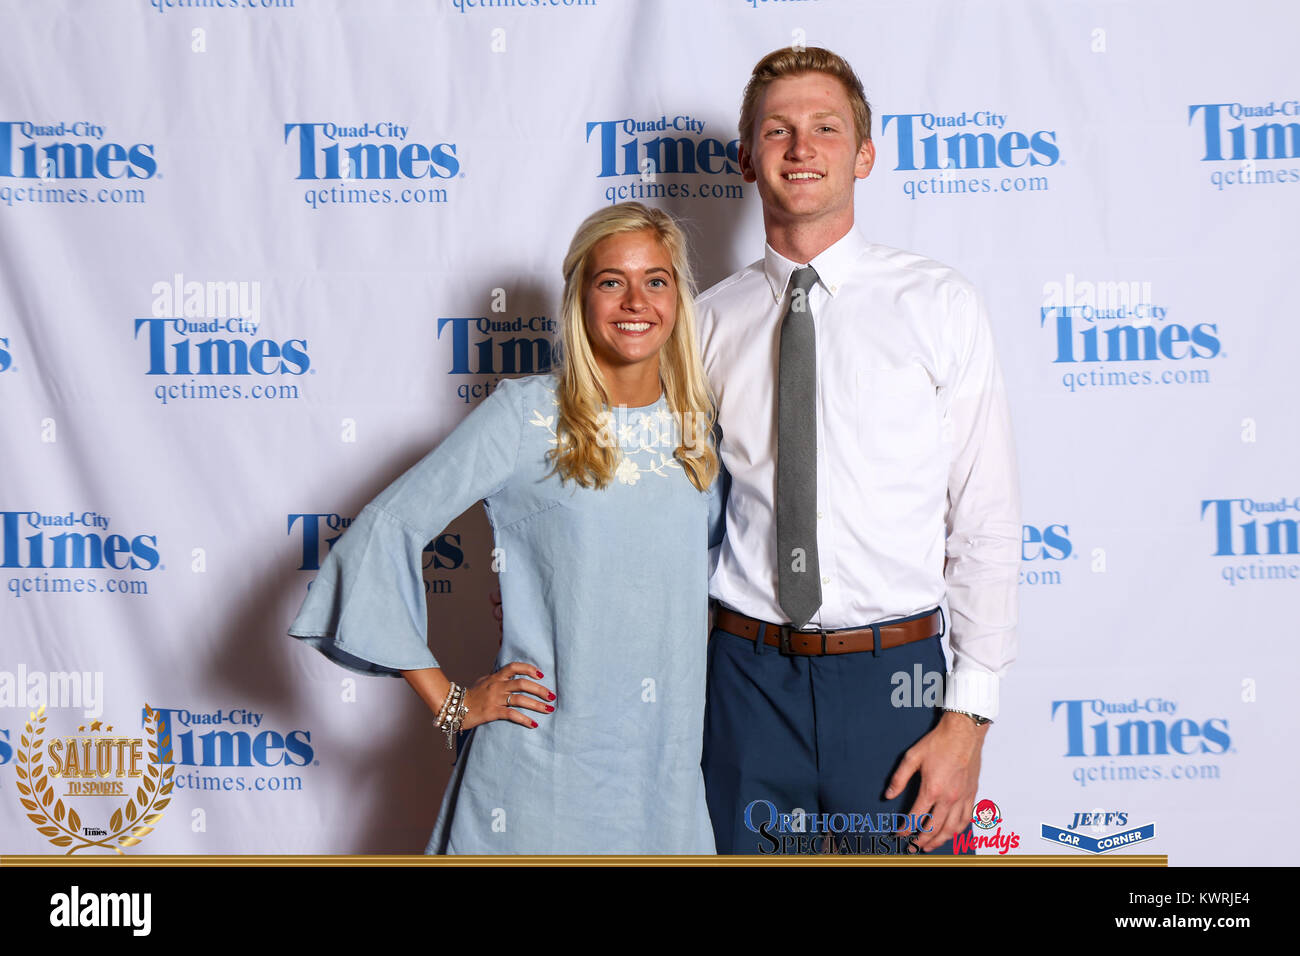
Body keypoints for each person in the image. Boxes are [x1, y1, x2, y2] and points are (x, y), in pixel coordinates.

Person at [288, 201, 727, 854]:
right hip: (541, 769)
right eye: (612, 281)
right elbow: (387, 528)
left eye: (655, 280)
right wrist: (450, 703)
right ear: (581, 295)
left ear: (677, 296)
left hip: (662, 774)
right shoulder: (526, 416)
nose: (636, 300)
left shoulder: (699, 430)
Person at [696, 47, 1020, 854]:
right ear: (746, 158)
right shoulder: (702, 323)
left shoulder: (940, 305)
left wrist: (969, 720)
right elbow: (665, 507)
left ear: (864, 155)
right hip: (743, 680)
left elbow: (985, 520)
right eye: (778, 130)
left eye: (826, 128)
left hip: (897, 682)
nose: (802, 148)